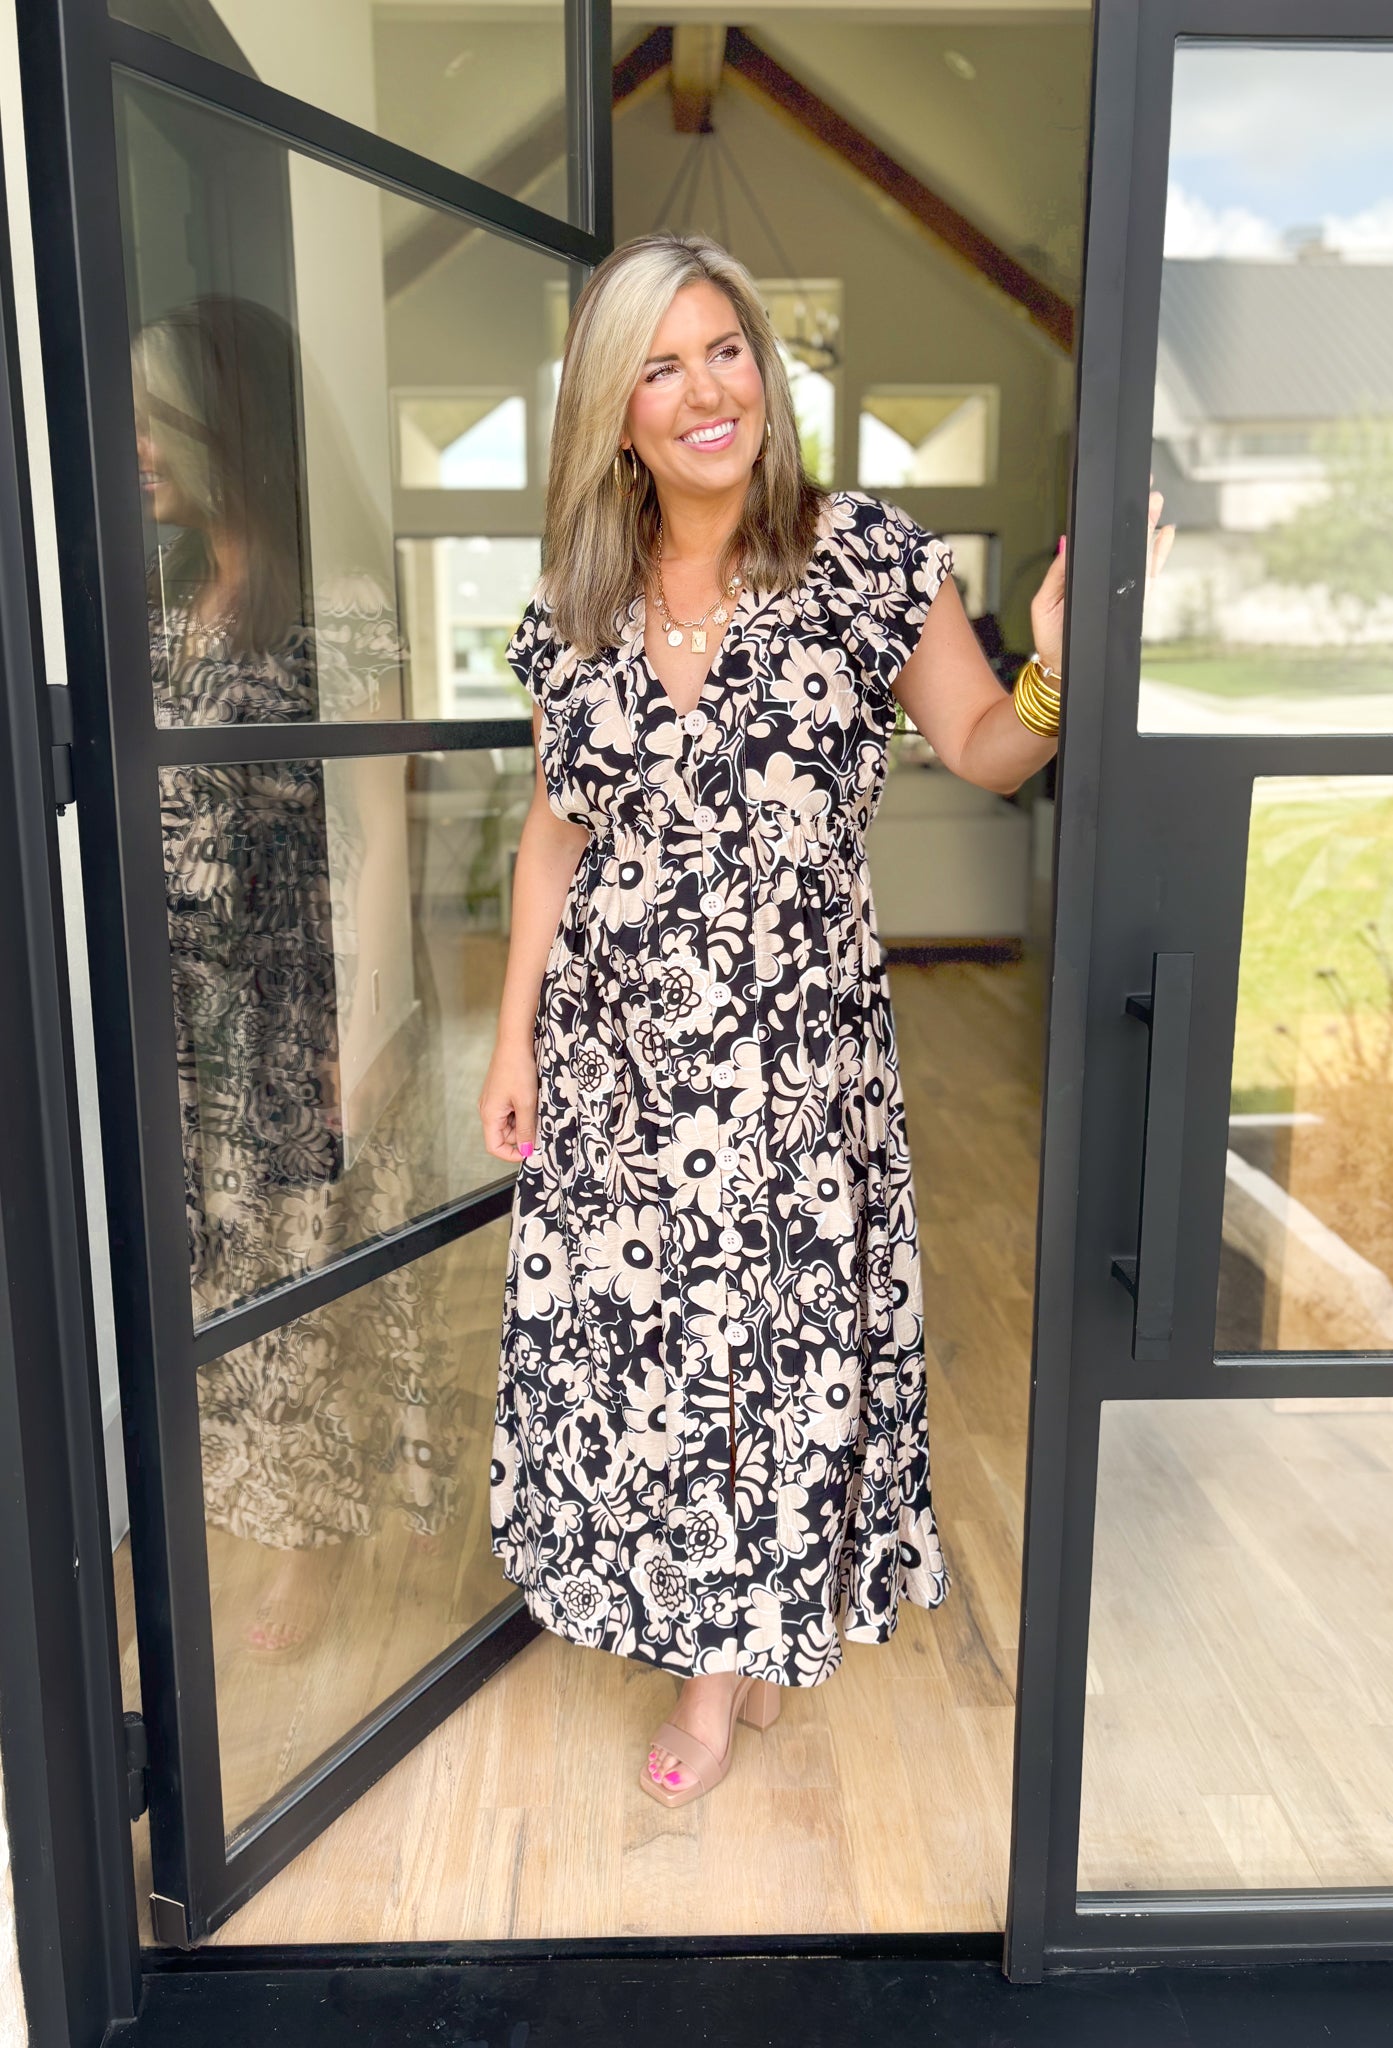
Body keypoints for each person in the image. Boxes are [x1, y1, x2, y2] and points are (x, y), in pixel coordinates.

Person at [480, 232, 1172, 1806]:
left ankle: (718, 1680)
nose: (702, 388)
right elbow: (555, 830)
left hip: (795, 1064)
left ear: (760, 369)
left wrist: (1049, 675)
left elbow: (990, 747)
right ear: (617, 411)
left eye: (723, 348)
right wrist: (514, 1033)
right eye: (659, 365)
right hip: (619, 1065)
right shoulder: (576, 605)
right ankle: (734, 1633)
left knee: (764, 1351)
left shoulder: (862, 559)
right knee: (653, 1356)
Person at [136, 294, 461, 1660]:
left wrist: (368, 1024)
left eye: (159, 420)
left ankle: (311, 1549)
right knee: (222, 1285)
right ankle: (268, 1515)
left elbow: (385, 831)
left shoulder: (333, 604)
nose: (137, 445)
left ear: (231, 429)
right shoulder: (158, 597)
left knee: (303, 1288)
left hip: (295, 1002)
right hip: (190, 1015)